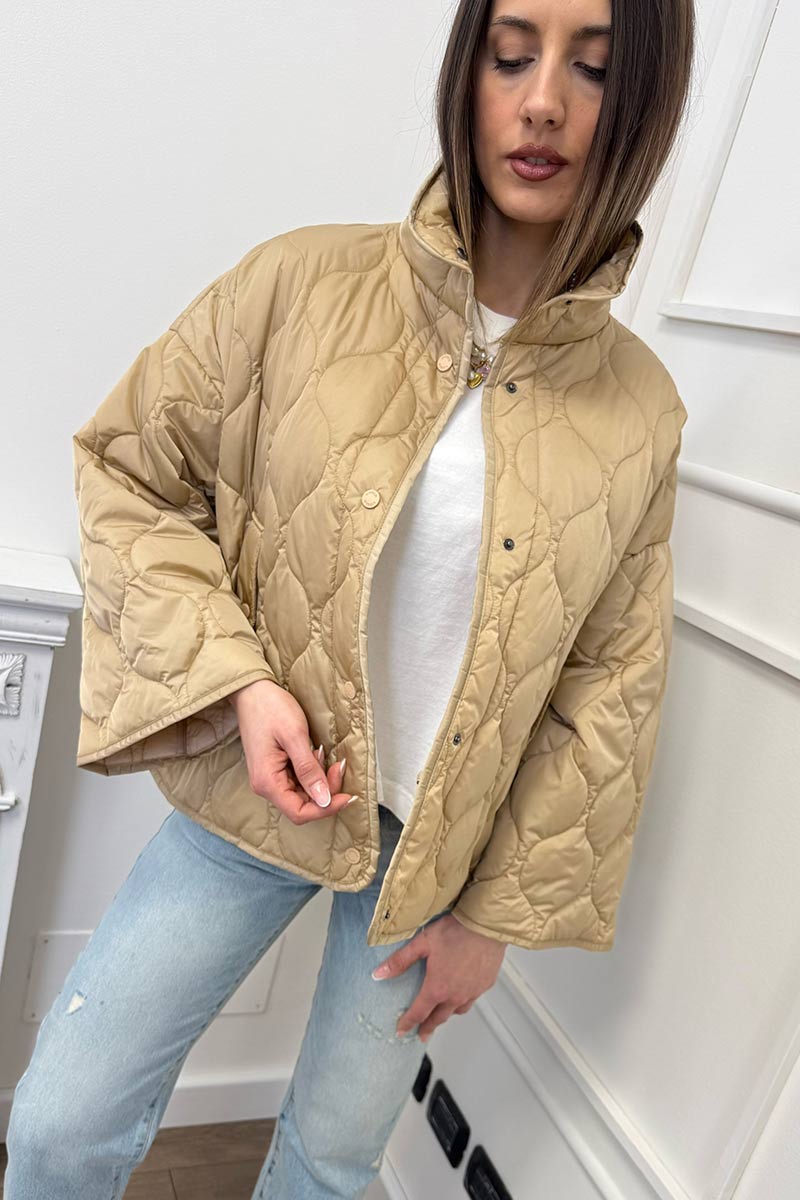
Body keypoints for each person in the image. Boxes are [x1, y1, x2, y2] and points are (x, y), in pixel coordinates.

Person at [5, 0, 696, 1196]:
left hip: (434, 867)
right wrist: (240, 683)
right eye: (510, 54)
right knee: (61, 1123)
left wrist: (491, 918)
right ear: (466, 67)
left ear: (640, 102)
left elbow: (608, 690)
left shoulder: (639, 409)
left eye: (590, 69)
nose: (540, 102)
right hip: (263, 792)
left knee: (329, 1167)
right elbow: (128, 474)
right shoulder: (299, 284)